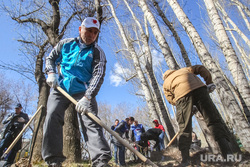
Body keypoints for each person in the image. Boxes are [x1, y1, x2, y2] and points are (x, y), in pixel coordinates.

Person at [43, 17, 111, 167]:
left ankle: (100, 161)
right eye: (88, 30)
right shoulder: (65, 44)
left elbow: (98, 76)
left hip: (84, 91)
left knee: (91, 121)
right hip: (61, 87)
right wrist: (51, 73)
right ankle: (53, 160)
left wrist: (88, 97)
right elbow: (51, 59)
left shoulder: (98, 52)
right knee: (52, 115)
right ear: (80, 29)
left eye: (95, 32)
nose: (91, 35)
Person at [163, 65, 232, 166]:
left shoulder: (166, 82)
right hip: (200, 90)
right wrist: (209, 82)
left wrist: (183, 106)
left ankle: (185, 160)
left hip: (182, 97)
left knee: (184, 129)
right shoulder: (184, 70)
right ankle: (228, 154)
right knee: (214, 121)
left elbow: (170, 99)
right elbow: (201, 68)